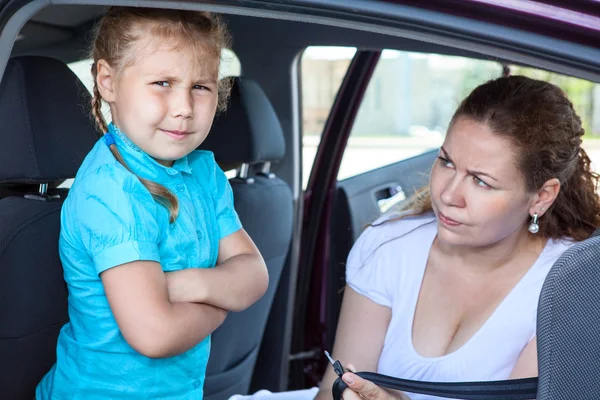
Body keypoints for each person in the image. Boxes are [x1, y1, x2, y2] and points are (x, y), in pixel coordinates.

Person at [233, 76, 600, 400]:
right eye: (447, 162)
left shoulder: (569, 287)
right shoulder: (389, 245)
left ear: (541, 196)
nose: (448, 194)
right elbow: (334, 388)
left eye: (481, 181)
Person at [36, 7, 268, 400]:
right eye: (162, 82)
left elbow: (254, 277)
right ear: (108, 82)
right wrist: (223, 301)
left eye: (200, 86)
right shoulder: (111, 191)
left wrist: (183, 284)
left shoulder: (204, 174)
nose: (183, 107)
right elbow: (156, 335)